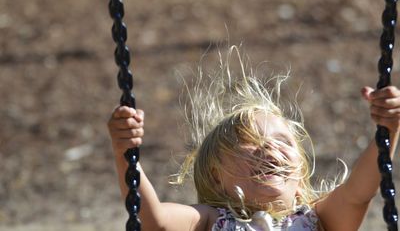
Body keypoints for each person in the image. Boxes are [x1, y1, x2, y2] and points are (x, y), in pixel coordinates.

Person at [107, 48, 400, 230]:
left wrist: (389, 127)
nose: (270, 147)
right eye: (251, 142)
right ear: (215, 176)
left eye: (283, 141)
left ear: (300, 175)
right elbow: (154, 222)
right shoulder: (210, 220)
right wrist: (124, 152)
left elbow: (358, 193)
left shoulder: (320, 220)